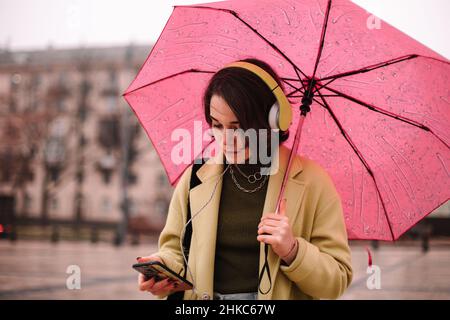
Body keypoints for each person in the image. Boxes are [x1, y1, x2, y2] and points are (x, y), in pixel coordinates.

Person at [137, 58, 352, 300]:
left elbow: (337, 281)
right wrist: (161, 268)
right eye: (217, 125)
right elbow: (177, 252)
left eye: (239, 126)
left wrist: (293, 250)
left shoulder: (313, 182)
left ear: (272, 121)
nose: (227, 139)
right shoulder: (195, 178)